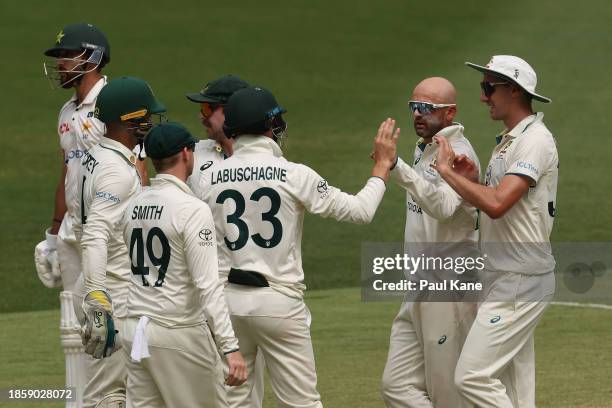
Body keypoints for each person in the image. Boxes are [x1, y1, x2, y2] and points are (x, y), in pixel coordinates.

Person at [196, 85, 398, 408]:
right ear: (269, 127)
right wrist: (382, 168)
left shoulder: (209, 178)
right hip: (279, 302)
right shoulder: (293, 174)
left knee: (235, 403)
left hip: (229, 303)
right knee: (302, 403)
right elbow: (361, 211)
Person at [434, 55, 558, 407]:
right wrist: (472, 181)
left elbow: (498, 203)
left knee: (472, 377)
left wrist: (449, 174)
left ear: (515, 90)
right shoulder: (510, 139)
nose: (482, 96)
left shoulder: (534, 140)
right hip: (505, 274)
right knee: (515, 384)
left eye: (488, 88)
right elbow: (498, 203)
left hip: (519, 278)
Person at [121, 122, 247, 408]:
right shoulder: (191, 209)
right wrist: (230, 347)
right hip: (178, 332)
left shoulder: (133, 205)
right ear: (187, 153)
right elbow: (208, 286)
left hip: (136, 333)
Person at [380, 77, 480, 408]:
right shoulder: (426, 149)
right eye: (414, 107)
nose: (417, 114)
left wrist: (396, 167)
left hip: (449, 288)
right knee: (396, 386)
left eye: (427, 108)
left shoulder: (459, 154)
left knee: (446, 393)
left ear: (450, 112)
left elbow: (445, 207)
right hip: (420, 285)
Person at [35, 22, 118, 408]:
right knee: (71, 321)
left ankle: (112, 397)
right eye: (61, 57)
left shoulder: (114, 101)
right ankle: (77, 400)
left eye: (68, 56)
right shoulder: (66, 111)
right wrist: (52, 235)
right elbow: (66, 172)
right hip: (72, 228)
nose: (62, 64)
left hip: (105, 229)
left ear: (93, 58)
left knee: (97, 318)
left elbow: (136, 169)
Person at [74, 76, 166, 407]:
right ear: (128, 121)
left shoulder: (88, 157)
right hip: (112, 291)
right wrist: (99, 302)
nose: (150, 124)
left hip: (99, 283)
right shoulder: (116, 170)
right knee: (109, 394)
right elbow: (96, 234)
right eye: (145, 118)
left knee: (127, 390)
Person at [187, 75, 267, 408]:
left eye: (208, 107)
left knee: (249, 392)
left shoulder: (265, 158)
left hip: (256, 295)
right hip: (209, 292)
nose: (202, 115)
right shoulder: (194, 154)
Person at [186, 74, 248, 189]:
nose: (201, 116)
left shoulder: (262, 157)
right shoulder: (191, 157)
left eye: (207, 109)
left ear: (231, 110)